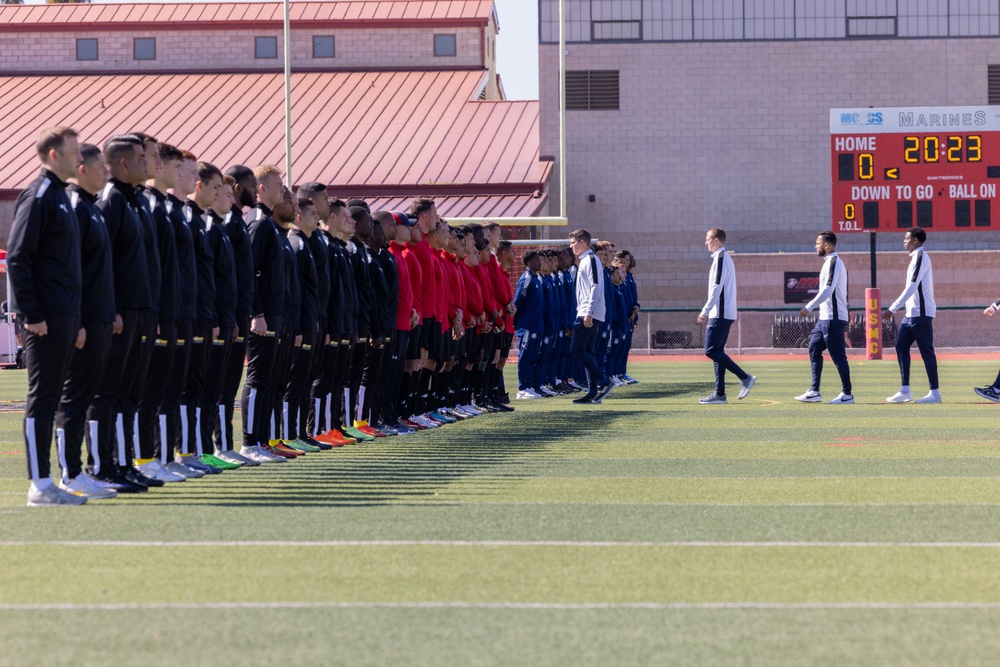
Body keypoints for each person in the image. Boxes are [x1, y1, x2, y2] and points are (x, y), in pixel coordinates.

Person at [10, 127, 86, 505]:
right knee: (42, 399)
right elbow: (20, 256)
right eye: (74, 152)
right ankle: (39, 484)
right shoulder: (39, 194)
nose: (80, 159)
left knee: (56, 397)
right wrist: (32, 313)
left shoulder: (61, 197)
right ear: (55, 156)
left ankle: (54, 480)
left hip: (65, 315)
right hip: (46, 318)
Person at [696, 228, 755, 404]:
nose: (705, 242)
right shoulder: (721, 259)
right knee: (717, 352)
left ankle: (745, 377)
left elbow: (717, 287)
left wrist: (705, 310)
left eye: (707, 239)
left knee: (710, 350)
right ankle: (720, 394)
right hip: (723, 312)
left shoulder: (721, 258)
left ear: (716, 240)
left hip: (720, 313)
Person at [882, 227, 940, 404]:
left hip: (920, 314)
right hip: (911, 314)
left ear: (915, 240)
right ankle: (905, 389)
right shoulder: (915, 257)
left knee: (926, 352)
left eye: (906, 238)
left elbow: (912, 286)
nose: (904, 241)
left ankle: (935, 393)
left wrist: (893, 308)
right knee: (900, 346)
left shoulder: (921, 257)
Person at [795, 231, 853, 404]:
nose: (816, 246)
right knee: (813, 349)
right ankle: (814, 391)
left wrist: (809, 306)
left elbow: (827, 290)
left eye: (818, 243)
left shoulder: (834, 261)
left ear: (826, 245)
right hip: (824, 319)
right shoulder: (828, 262)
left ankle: (847, 394)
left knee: (838, 356)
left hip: (833, 319)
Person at [568, 229, 613, 404]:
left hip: (589, 312)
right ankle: (592, 391)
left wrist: (588, 312)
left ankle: (603, 381)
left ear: (582, 243)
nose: (571, 246)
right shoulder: (585, 261)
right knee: (586, 351)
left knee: (576, 349)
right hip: (587, 311)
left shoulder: (591, 260)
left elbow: (595, 286)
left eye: (573, 242)